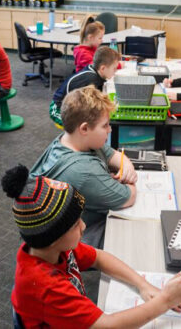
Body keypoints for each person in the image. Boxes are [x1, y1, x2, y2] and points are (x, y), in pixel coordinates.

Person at [3, 165, 181, 329]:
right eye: (76, 224)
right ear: (53, 236)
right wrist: (165, 301)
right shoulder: (45, 286)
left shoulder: (52, 248)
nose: (84, 226)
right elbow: (106, 326)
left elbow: (99, 257)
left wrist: (143, 285)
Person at [31, 86, 136, 248]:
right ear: (85, 128)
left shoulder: (71, 140)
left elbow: (112, 154)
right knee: (136, 235)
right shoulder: (83, 171)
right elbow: (128, 197)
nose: (110, 129)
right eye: (105, 125)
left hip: (70, 224)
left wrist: (126, 165)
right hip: (79, 236)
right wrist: (129, 181)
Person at [50, 46, 119, 127]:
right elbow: (89, 106)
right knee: (82, 126)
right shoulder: (92, 80)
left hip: (73, 104)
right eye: (114, 68)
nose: (115, 71)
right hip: (58, 107)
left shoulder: (95, 70)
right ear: (103, 68)